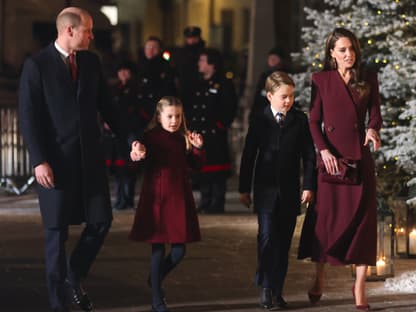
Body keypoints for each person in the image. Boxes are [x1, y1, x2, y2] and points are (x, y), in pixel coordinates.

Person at [18, 7, 144, 312]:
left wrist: (131, 139)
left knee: (101, 221)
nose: (92, 35)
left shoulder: (90, 62)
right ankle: (58, 302)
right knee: (56, 233)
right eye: (87, 30)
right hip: (55, 164)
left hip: (90, 161)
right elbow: (29, 118)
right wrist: (39, 161)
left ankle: (73, 276)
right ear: (69, 31)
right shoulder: (37, 65)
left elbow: (109, 107)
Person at [298, 28, 382, 311]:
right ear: (332, 53)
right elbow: (313, 121)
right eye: (343, 49)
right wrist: (323, 150)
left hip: (360, 162)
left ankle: (359, 286)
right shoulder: (321, 81)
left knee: (364, 224)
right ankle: (319, 275)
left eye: (352, 49)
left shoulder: (367, 79)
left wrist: (373, 130)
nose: (349, 54)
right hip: (332, 162)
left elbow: (376, 115)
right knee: (326, 222)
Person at [239, 71, 316, 309]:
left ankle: (277, 291)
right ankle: (264, 287)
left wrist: (308, 185)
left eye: (291, 96)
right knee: (266, 238)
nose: (288, 101)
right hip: (265, 191)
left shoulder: (299, 120)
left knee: (283, 244)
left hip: (290, 192)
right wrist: (244, 188)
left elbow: (309, 156)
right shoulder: (260, 120)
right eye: (283, 96)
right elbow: (249, 155)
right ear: (270, 96)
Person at [129, 96, 204, 312]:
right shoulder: (150, 137)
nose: (174, 120)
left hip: (179, 198)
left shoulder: (183, 138)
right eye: (169, 116)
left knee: (179, 250)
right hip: (159, 199)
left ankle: (155, 279)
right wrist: (138, 154)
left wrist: (198, 148)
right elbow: (137, 160)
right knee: (158, 249)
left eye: (178, 116)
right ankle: (156, 299)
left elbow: (196, 165)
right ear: (159, 116)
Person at [187, 48, 237, 214]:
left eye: (203, 60)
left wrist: (220, 124)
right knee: (202, 168)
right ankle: (205, 200)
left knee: (217, 170)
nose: (199, 64)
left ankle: (217, 202)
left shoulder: (223, 83)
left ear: (212, 64)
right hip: (199, 133)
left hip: (215, 133)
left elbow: (230, 107)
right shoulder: (197, 83)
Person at [107, 61, 141, 210]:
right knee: (119, 168)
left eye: (126, 71)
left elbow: (139, 111)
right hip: (116, 132)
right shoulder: (114, 89)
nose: (123, 74)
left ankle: (128, 199)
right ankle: (120, 198)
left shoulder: (136, 89)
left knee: (129, 168)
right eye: (121, 71)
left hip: (131, 130)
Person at [136, 36, 176, 126]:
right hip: (141, 114)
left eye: (154, 47)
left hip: (157, 112)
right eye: (148, 47)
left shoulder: (165, 67)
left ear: (160, 49)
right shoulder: (140, 66)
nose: (150, 50)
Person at [249, 47, 291, 122]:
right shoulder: (264, 76)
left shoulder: (285, 76)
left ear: (280, 60)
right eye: (270, 58)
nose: (272, 60)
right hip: (262, 116)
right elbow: (258, 97)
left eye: (275, 58)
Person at [172, 26, 206, 102]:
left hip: (200, 85)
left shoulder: (204, 52)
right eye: (189, 37)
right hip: (184, 86)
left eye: (194, 37)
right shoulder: (180, 52)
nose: (192, 40)